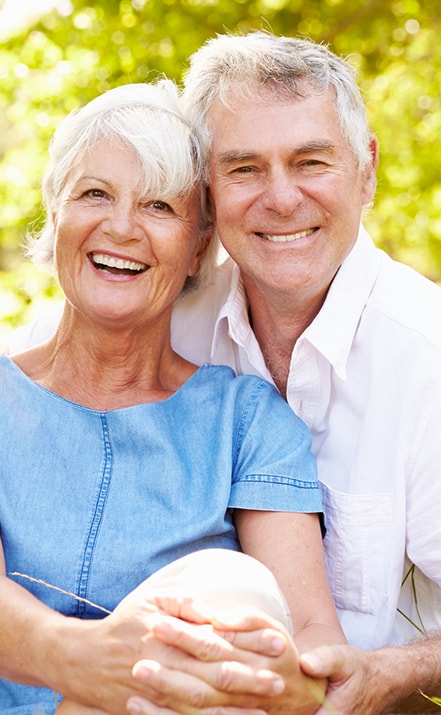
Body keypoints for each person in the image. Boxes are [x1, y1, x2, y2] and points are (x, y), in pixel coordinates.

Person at [8, 30, 441, 715]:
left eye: (310, 162)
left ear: (365, 169)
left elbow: (307, 650)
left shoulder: (415, 360)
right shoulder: (126, 318)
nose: (280, 198)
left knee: (223, 593)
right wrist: (81, 660)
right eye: (243, 168)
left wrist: (389, 671)